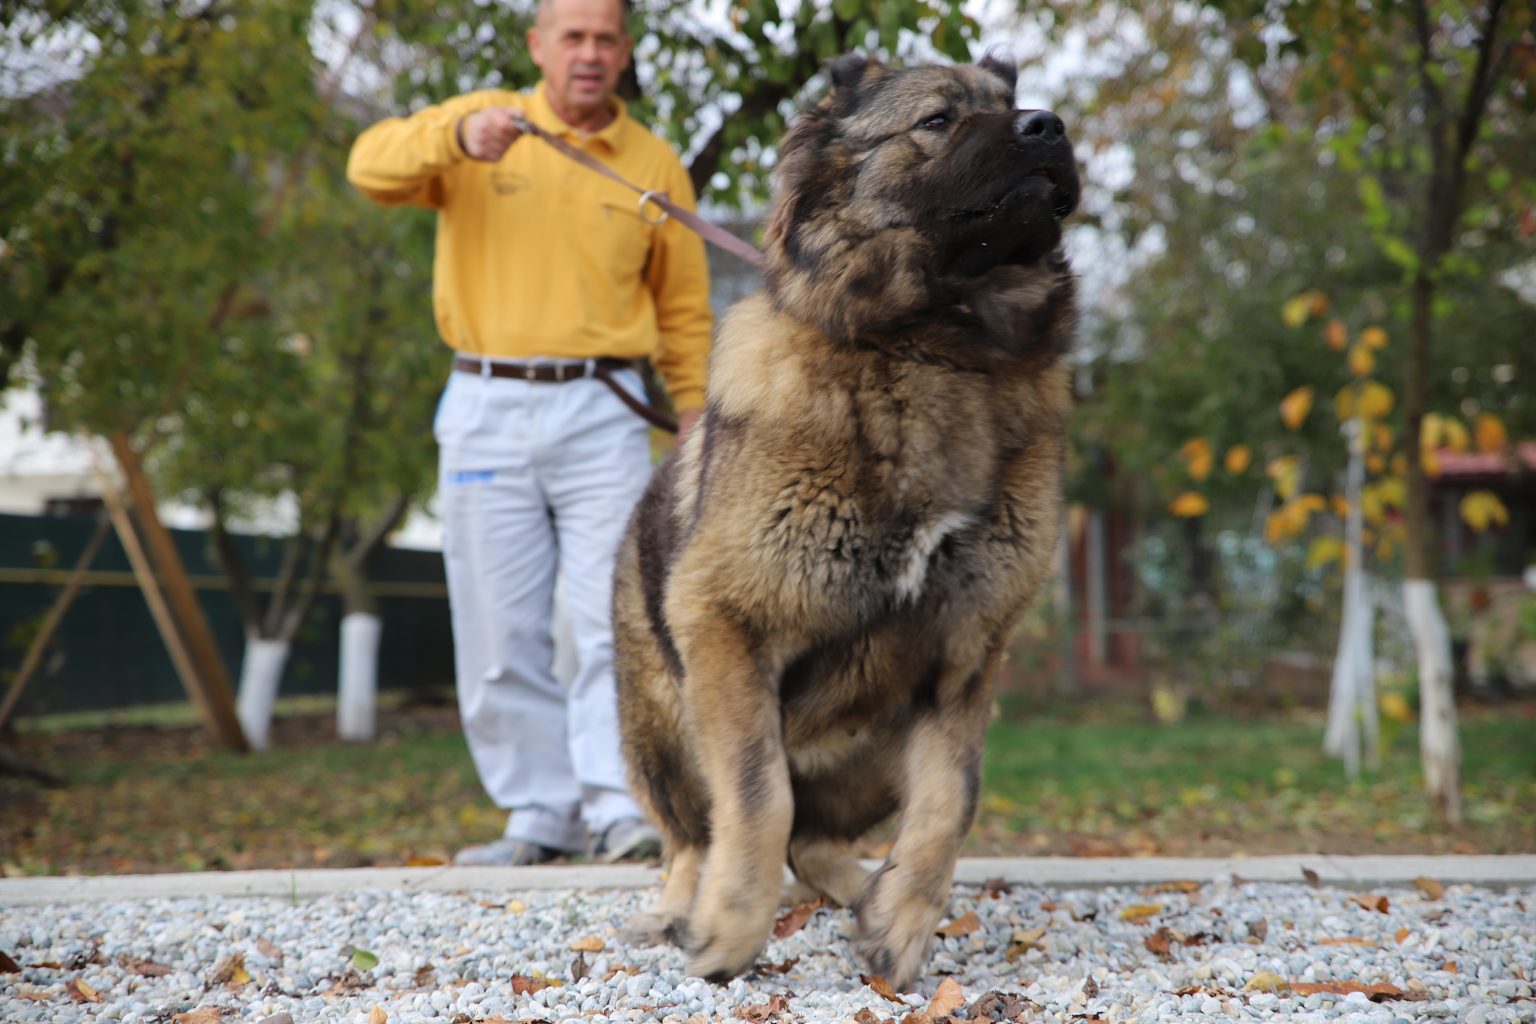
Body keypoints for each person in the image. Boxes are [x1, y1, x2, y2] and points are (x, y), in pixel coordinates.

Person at [346, 0, 712, 865]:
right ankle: (536, 813)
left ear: (624, 53)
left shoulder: (654, 163)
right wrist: (456, 137)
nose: (588, 54)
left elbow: (685, 313)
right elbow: (369, 168)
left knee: (609, 618)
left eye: (605, 39)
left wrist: (695, 421)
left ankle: (621, 807)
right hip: (484, 403)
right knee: (496, 623)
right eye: (572, 37)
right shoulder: (480, 127)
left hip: (605, 408)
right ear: (537, 48)